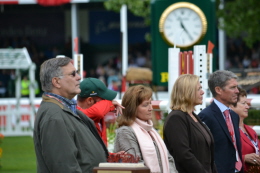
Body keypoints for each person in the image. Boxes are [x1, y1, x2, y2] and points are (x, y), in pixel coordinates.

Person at [33, 57, 109, 173]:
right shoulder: (54, 116)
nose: (79, 77)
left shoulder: (64, 109)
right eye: (73, 74)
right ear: (56, 82)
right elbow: (63, 166)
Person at [114, 85, 177, 173]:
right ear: (133, 108)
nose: (151, 108)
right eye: (145, 105)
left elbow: (168, 158)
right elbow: (135, 165)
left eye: (150, 103)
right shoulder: (125, 132)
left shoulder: (150, 130)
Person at [163, 74, 217, 173]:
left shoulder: (193, 116)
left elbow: (207, 156)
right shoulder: (176, 118)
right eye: (198, 89)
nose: (203, 92)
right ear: (187, 92)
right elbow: (183, 155)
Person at [198, 70, 243, 173]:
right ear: (218, 90)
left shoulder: (234, 116)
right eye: (232, 87)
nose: (237, 91)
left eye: (236, 87)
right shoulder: (206, 116)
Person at [76, 77, 124, 146]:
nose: (106, 101)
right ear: (89, 100)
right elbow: (98, 112)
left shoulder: (98, 118)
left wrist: (112, 156)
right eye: (103, 100)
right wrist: (110, 103)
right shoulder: (75, 113)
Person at [230, 87, 260, 172]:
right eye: (243, 103)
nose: (247, 107)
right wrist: (243, 158)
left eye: (247, 103)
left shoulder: (251, 131)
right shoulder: (227, 130)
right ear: (231, 105)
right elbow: (220, 154)